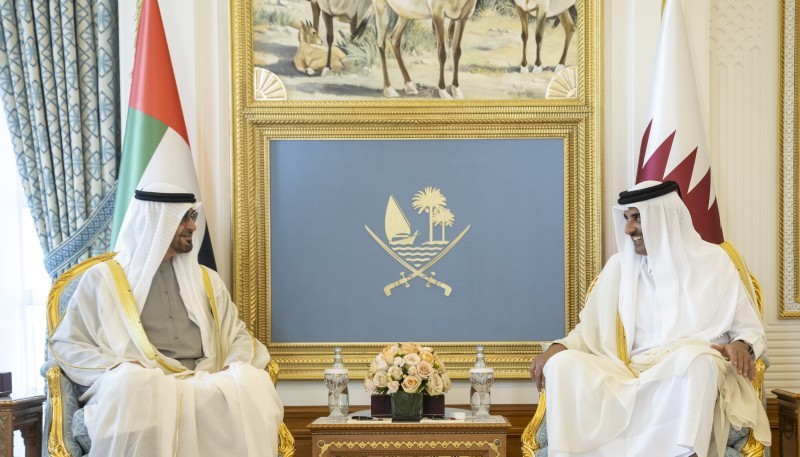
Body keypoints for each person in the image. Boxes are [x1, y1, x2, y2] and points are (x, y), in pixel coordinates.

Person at [529, 180, 770, 457]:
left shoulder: (715, 263)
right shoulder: (619, 267)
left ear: (665, 218)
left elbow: (750, 329)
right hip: (624, 370)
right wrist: (558, 348)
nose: (628, 228)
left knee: (699, 360)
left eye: (637, 218)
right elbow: (588, 331)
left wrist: (742, 345)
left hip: (680, 375)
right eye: (626, 218)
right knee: (563, 365)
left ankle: (684, 453)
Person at [50, 183, 284, 456]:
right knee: (133, 384)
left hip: (205, 378)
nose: (193, 227)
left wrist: (231, 364)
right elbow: (68, 343)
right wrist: (116, 366)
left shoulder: (207, 279)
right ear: (156, 221)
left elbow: (238, 335)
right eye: (184, 218)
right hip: (145, 381)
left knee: (250, 381)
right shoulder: (103, 280)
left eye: (192, 217)